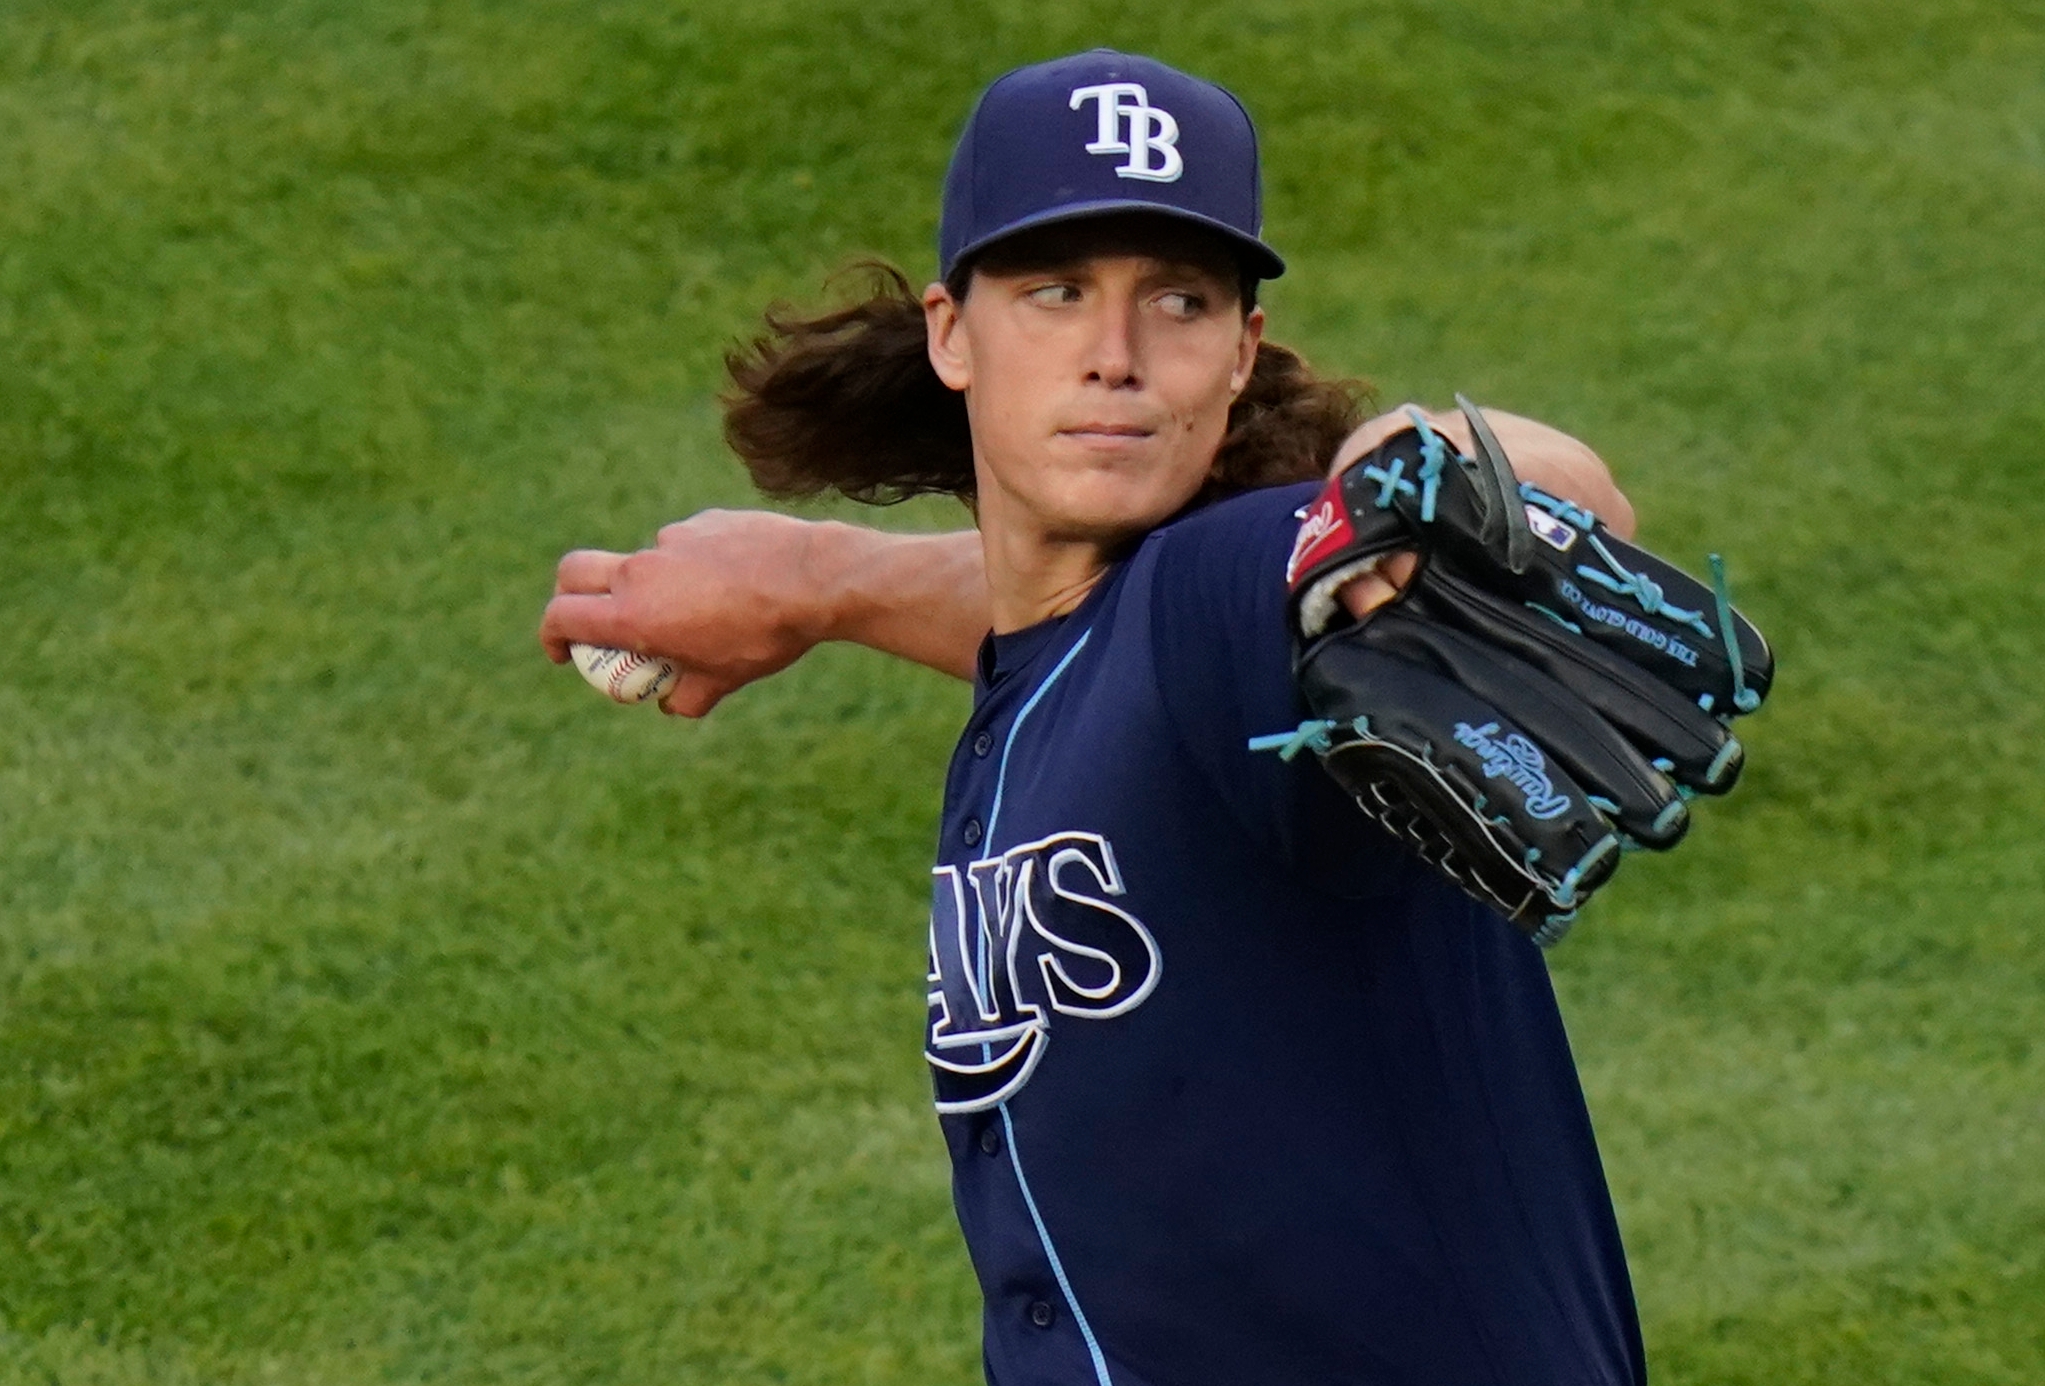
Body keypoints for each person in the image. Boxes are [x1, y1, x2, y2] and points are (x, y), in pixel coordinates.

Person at [543, 49, 1652, 1386]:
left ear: (1241, 349)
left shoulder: (1240, 590)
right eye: (1057, 294)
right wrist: (824, 578)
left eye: (1178, 302)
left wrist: (1401, 470)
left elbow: (1558, 493)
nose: (1115, 358)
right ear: (954, 333)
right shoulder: (1068, 665)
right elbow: (1070, 632)